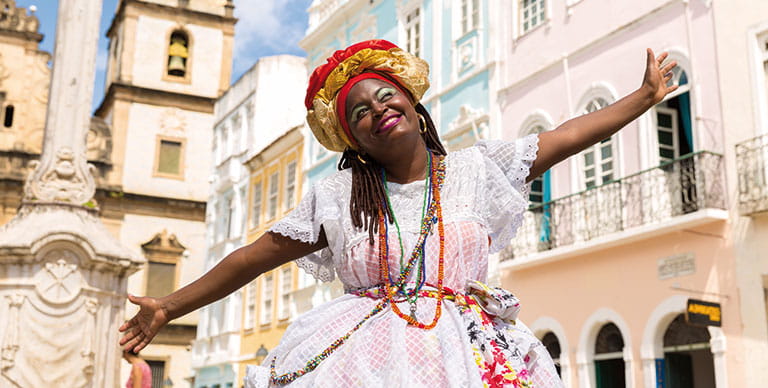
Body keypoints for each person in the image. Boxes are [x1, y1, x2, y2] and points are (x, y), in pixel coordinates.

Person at [119, 39, 677, 387]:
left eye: (385, 96)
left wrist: (642, 97)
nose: (377, 110)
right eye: (358, 111)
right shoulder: (338, 199)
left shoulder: (477, 170)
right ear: (352, 140)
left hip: (470, 352)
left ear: (412, 102)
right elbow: (252, 258)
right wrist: (168, 305)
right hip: (361, 359)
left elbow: (565, 136)